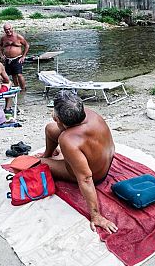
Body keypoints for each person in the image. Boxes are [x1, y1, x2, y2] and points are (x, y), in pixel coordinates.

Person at [37, 90, 118, 234]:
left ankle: (46, 159)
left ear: (58, 119)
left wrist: (96, 215)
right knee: (50, 129)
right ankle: (48, 154)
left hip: (95, 175)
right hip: (103, 160)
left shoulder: (68, 139)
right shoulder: (89, 113)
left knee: (37, 163)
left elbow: (86, 178)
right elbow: (60, 129)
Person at [0, 23, 29, 90]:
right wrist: (1, 55)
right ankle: (16, 88)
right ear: (4, 30)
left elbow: (27, 45)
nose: (8, 31)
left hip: (17, 58)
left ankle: (23, 89)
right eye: (6, 30)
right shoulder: (3, 38)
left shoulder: (18, 36)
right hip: (7, 59)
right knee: (13, 75)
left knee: (19, 74)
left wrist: (23, 56)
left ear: (12, 28)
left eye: (9, 29)